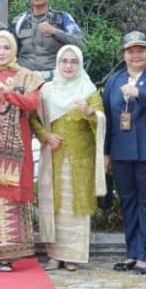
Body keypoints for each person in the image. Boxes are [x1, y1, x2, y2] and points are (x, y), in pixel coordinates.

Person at [102, 31, 146, 276]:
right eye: (131, 51)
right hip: (121, 152)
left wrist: (139, 93)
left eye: (141, 50)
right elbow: (109, 119)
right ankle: (132, 252)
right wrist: (106, 153)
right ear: (124, 55)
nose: (136, 55)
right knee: (128, 202)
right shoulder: (114, 81)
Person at [33, 46, 106, 271]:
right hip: (52, 156)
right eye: (64, 61)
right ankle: (55, 256)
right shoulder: (46, 90)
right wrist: (45, 135)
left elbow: (101, 120)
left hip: (80, 158)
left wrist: (89, 113)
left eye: (73, 62)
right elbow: (32, 118)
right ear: (57, 63)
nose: (68, 66)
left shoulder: (88, 90)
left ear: (80, 64)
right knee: (54, 206)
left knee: (76, 206)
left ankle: (73, 256)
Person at [0, 30, 43, 271]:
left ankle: (9, 256)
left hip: (17, 148)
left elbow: (32, 104)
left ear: (13, 50)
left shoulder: (26, 76)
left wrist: (9, 93)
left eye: (6, 48)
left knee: (12, 198)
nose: (1, 52)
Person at [12, 0, 85, 78]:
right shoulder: (19, 21)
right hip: (25, 78)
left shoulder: (62, 18)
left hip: (54, 79)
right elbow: (11, 51)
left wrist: (54, 32)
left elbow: (81, 44)